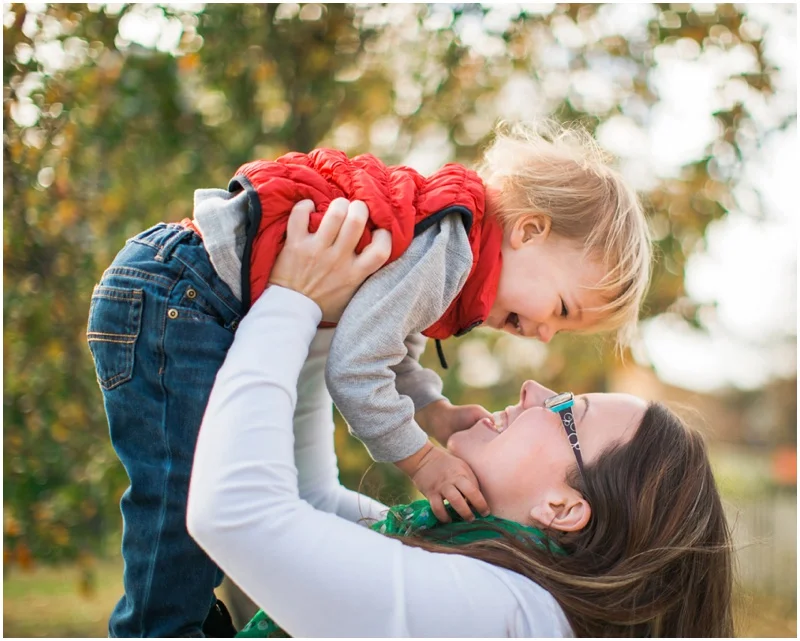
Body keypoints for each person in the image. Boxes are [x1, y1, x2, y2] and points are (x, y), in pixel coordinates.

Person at [87, 120, 650, 636]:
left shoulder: (450, 249)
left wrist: (435, 410)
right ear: (528, 231)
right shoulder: (451, 252)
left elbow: (388, 347)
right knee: (175, 504)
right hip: (181, 296)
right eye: (562, 309)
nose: (547, 334)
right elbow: (355, 369)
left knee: (181, 503)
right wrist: (422, 459)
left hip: (181, 292)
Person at [187, 203, 734, 638]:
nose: (533, 388)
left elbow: (236, 512)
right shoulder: (494, 579)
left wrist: (291, 299)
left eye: (567, 409)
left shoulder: (501, 615)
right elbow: (309, 504)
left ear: (563, 508)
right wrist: (330, 317)